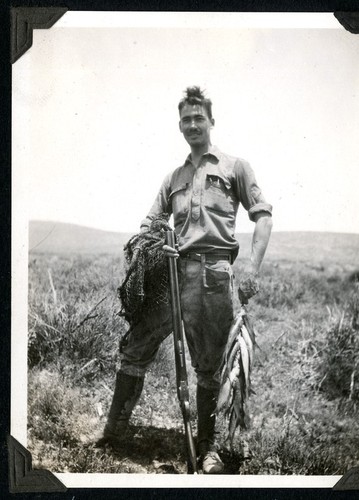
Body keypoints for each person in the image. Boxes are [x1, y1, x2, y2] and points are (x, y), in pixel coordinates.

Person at [98, 86, 273, 474]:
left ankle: (208, 448)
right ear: (179, 126)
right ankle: (113, 433)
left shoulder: (234, 167)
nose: (193, 125)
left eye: (199, 118)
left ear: (211, 121)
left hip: (214, 277)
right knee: (135, 347)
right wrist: (160, 242)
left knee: (209, 367)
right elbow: (148, 225)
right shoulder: (173, 178)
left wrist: (252, 270)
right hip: (170, 279)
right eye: (186, 120)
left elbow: (263, 216)